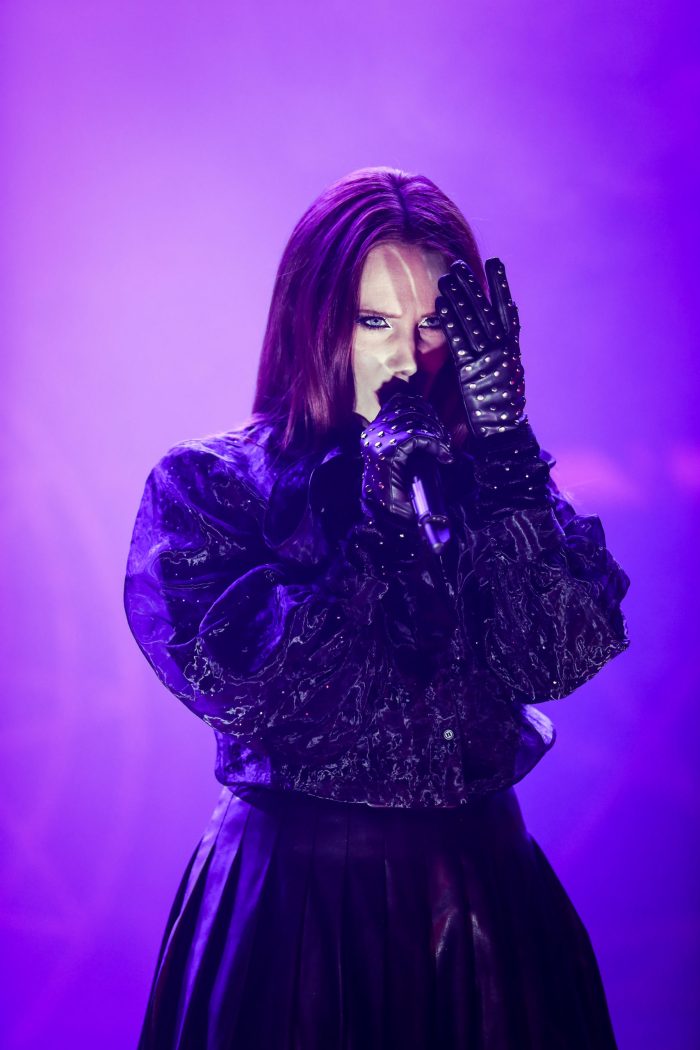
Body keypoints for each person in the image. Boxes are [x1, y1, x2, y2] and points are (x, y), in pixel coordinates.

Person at [123, 166, 631, 1049]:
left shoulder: (489, 487)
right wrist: (380, 528)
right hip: (296, 908)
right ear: (312, 319)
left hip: (482, 900)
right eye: (374, 322)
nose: (406, 357)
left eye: (433, 323)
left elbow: (557, 655)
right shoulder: (213, 486)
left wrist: (509, 454)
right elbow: (276, 694)